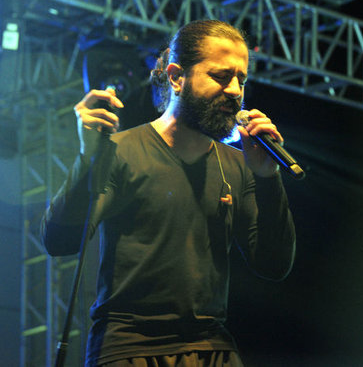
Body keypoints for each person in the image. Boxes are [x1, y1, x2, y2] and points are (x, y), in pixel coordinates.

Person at [41, 19, 296, 366]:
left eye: (242, 79)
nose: (235, 90)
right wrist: (88, 159)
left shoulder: (239, 166)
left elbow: (274, 265)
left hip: (211, 347)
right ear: (177, 77)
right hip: (131, 349)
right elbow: (59, 241)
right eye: (221, 76)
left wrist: (267, 178)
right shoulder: (121, 152)